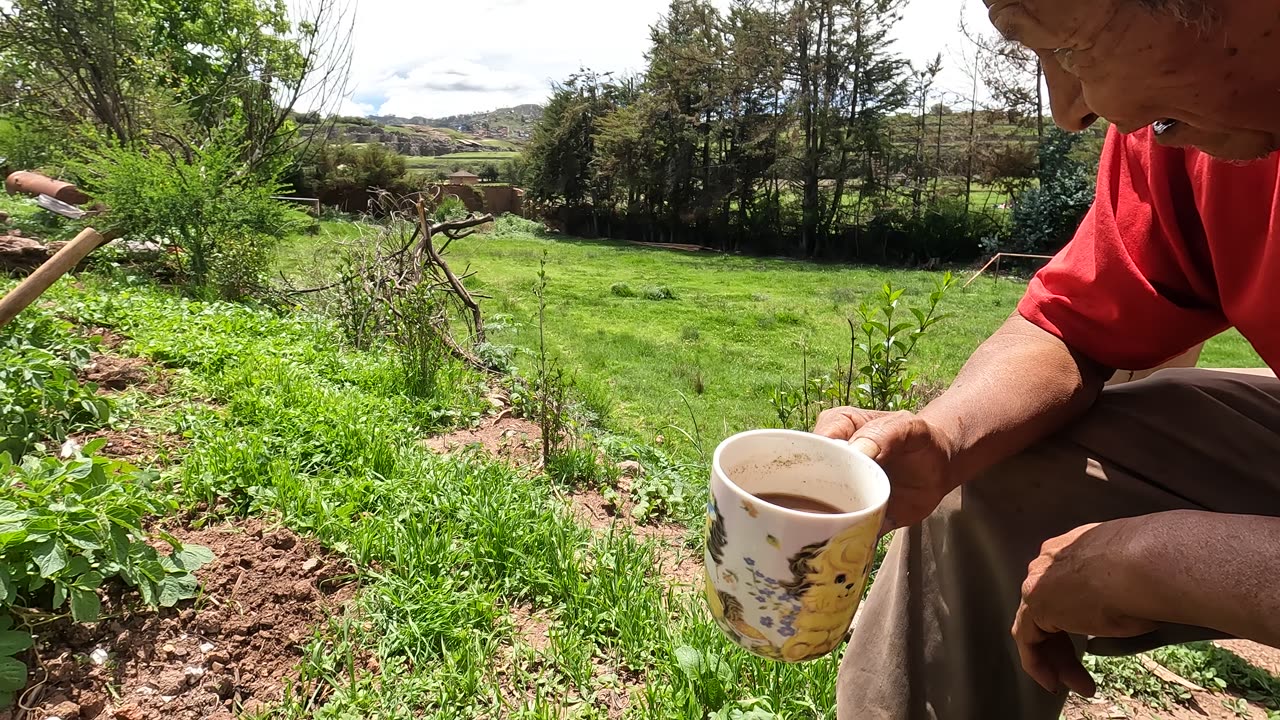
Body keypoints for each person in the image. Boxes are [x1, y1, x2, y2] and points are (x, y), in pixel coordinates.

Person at [815, 1, 1280, 717]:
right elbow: (1072, 329)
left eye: (1073, 48)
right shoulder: (1185, 138)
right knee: (989, 483)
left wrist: (1173, 562)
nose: (1068, 111)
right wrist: (946, 440)